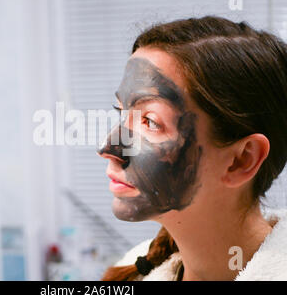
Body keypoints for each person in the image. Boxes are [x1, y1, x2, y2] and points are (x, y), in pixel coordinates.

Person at [97, 16, 287, 281]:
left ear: (242, 160)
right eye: (122, 112)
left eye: (150, 121)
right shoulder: (135, 265)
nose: (109, 148)